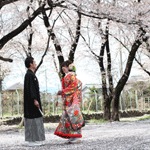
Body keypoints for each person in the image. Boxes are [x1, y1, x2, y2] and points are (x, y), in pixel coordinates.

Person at [54, 60, 84, 144]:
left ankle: (77, 137)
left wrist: (64, 91)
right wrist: (63, 92)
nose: (63, 68)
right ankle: (72, 136)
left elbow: (74, 85)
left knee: (74, 118)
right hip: (69, 100)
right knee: (68, 118)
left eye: (65, 66)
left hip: (72, 101)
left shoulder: (71, 76)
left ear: (68, 67)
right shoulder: (69, 76)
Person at [24, 56, 45, 147]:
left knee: (35, 119)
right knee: (31, 120)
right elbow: (30, 89)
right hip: (31, 102)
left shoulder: (31, 74)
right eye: (34, 61)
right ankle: (31, 141)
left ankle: (34, 139)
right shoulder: (29, 75)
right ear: (30, 64)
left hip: (33, 101)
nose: (36, 63)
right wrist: (34, 99)